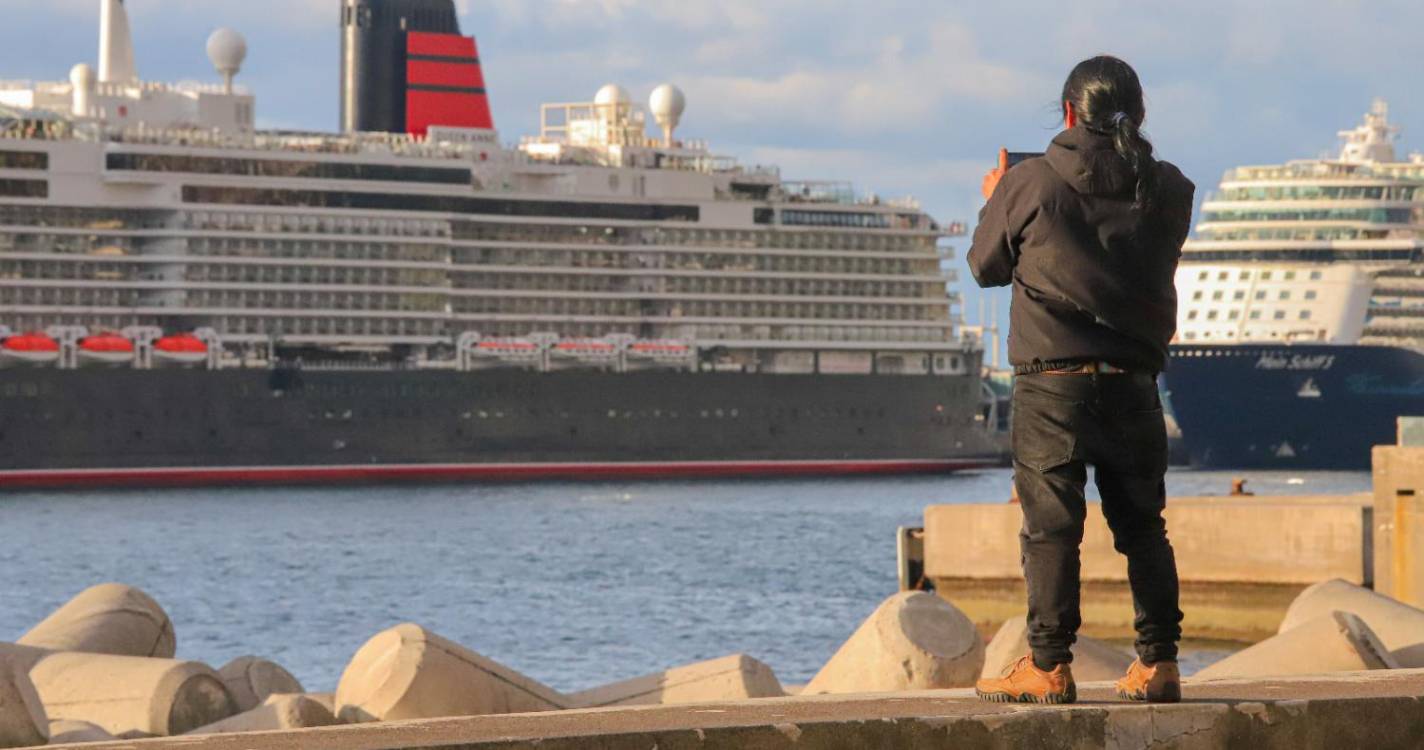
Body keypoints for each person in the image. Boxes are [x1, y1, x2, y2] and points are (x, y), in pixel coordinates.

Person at [967, 55, 1196, 705]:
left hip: (1052, 383)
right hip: (1134, 383)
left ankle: (1048, 666)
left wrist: (998, 198)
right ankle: (1159, 663)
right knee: (1144, 528)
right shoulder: (1170, 189)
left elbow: (986, 266)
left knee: (1052, 528)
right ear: (1138, 114)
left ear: (1069, 112)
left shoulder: (1030, 183)